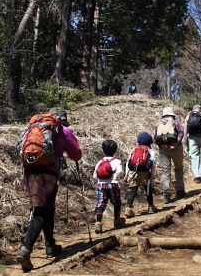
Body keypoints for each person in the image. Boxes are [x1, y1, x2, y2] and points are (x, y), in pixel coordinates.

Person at [16, 107, 82, 272]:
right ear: (63, 119)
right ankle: (26, 248)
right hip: (48, 170)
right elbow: (76, 155)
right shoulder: (63, 130)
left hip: (29, 168)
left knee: (47, 206)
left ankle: (50, 244)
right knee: (41, 208)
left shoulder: (35, 127)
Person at [93, 139, 126, 233]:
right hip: (113, 184)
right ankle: (117, 220)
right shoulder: (116, 161)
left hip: (101, 185)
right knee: (116, 202)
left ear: (103, 150)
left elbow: (94, 175)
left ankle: (98, 223)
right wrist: (115, 177)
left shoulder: (100, 162)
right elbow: (120, 171)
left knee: (100, 204)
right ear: (115, 150)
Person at [154, 107, 185, 204]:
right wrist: (176, 143)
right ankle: (179, 190)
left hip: (164, 150)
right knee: (178, 169)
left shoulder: (159, 123)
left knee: (165, 171)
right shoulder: (176, 122)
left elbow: (155, 138)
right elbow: (181, 132)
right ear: (172, 114)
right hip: (176, 148)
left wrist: (162, 145)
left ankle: (166, 193)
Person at [124, 132, 157, 217]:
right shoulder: (150, 151)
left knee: (133, 191)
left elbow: (129, 161)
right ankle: (150, 207)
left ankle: (128, 209)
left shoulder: (134, 149)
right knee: (148, 190)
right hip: (145, 173)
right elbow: (153, 164)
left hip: (133, 172)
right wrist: (152, 175)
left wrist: (126, 174)